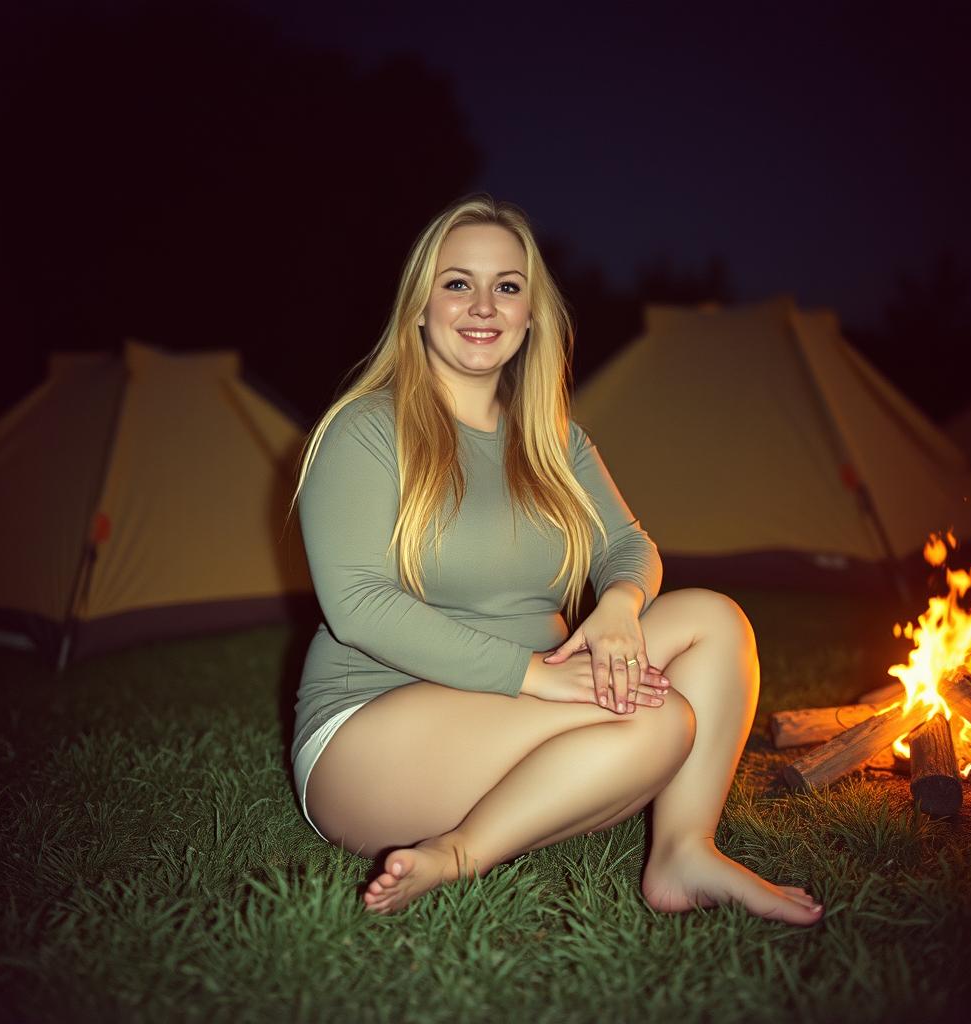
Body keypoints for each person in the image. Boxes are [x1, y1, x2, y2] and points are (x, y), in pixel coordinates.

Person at [287, 194, 824, 925]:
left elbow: (628, 546)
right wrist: (538, 676)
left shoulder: (551, 438)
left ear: (532, 312)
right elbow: (358, 605)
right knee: (658, 722)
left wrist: (617, 607)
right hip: (373, 734)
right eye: (457, 282)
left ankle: (683, 849)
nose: (483, 305)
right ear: (418, 306)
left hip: (519, 701)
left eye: (507, 286)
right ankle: (460, 851)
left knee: (715, 620)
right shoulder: (367, 427)